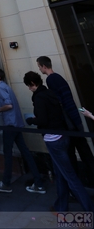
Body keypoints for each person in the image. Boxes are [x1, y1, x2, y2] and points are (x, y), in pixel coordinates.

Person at [23, 71, 94, 213]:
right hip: (63, 135)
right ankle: (60, 206)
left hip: (53, 139)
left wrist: (31, 120)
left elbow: (42, 119)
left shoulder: (39, 98)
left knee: (70, 176)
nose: (29, 89)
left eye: (29, 86)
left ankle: (89, 209)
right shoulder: (51, 93)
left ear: (32, 84)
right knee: (59, 172)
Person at [37, 56, 94, 185]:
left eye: (39, 66)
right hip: (75, 118)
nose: (39, 69)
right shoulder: (59, 77)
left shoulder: (51, 80)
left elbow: (60, 103)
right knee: (85, 152)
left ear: (43, 66)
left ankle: (77, 185)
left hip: (69, 123)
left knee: (71, 155)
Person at [0, 68, 45, 195]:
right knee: (25, 151)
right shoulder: (7, 87)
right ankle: (38, 182)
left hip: (10, 124)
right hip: (17, 123)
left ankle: (5, 182)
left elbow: (9, 105)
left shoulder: (0, 87)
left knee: (8, 153)